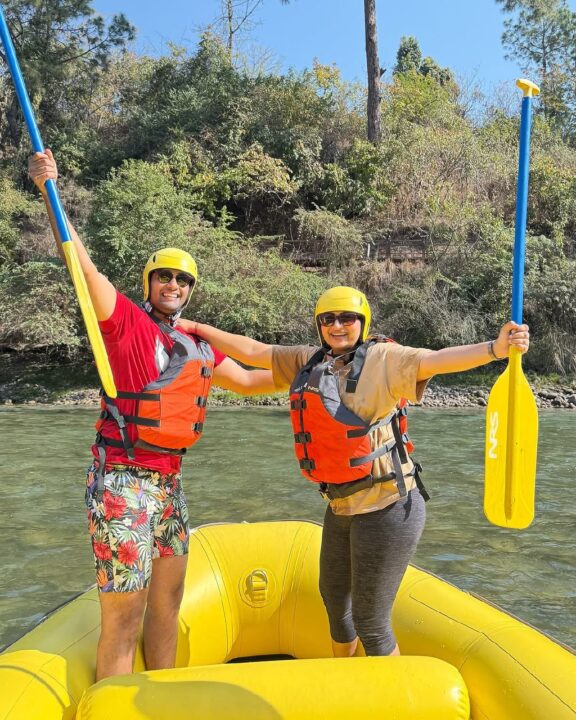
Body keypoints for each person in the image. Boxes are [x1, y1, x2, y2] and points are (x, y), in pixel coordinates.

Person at [28, 150, 277, 681]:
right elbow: (79, 262)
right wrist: (51, 192)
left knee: (168, 605)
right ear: (149, 283)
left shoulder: (197, 346)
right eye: (164, 278)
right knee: (125, 618)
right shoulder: (122, 323)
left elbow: (257, 379)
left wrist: (326, 366)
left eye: (182, 282)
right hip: (121, 483)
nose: (173, 286)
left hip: (169, 486)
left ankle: (161, 698)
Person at [176, 285, 530, 657]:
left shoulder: (384, 359)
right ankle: (345, 676)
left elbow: (436, 360)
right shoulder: (309, 361)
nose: (337, 326)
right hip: (342, 506)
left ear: (363, 323)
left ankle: (393, 703)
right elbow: (254, 352)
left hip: (389, 507)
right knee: (333, 600)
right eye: (328, 319)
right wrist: (195, 327)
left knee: (371, 622)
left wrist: (495, 349)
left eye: (347, 318)